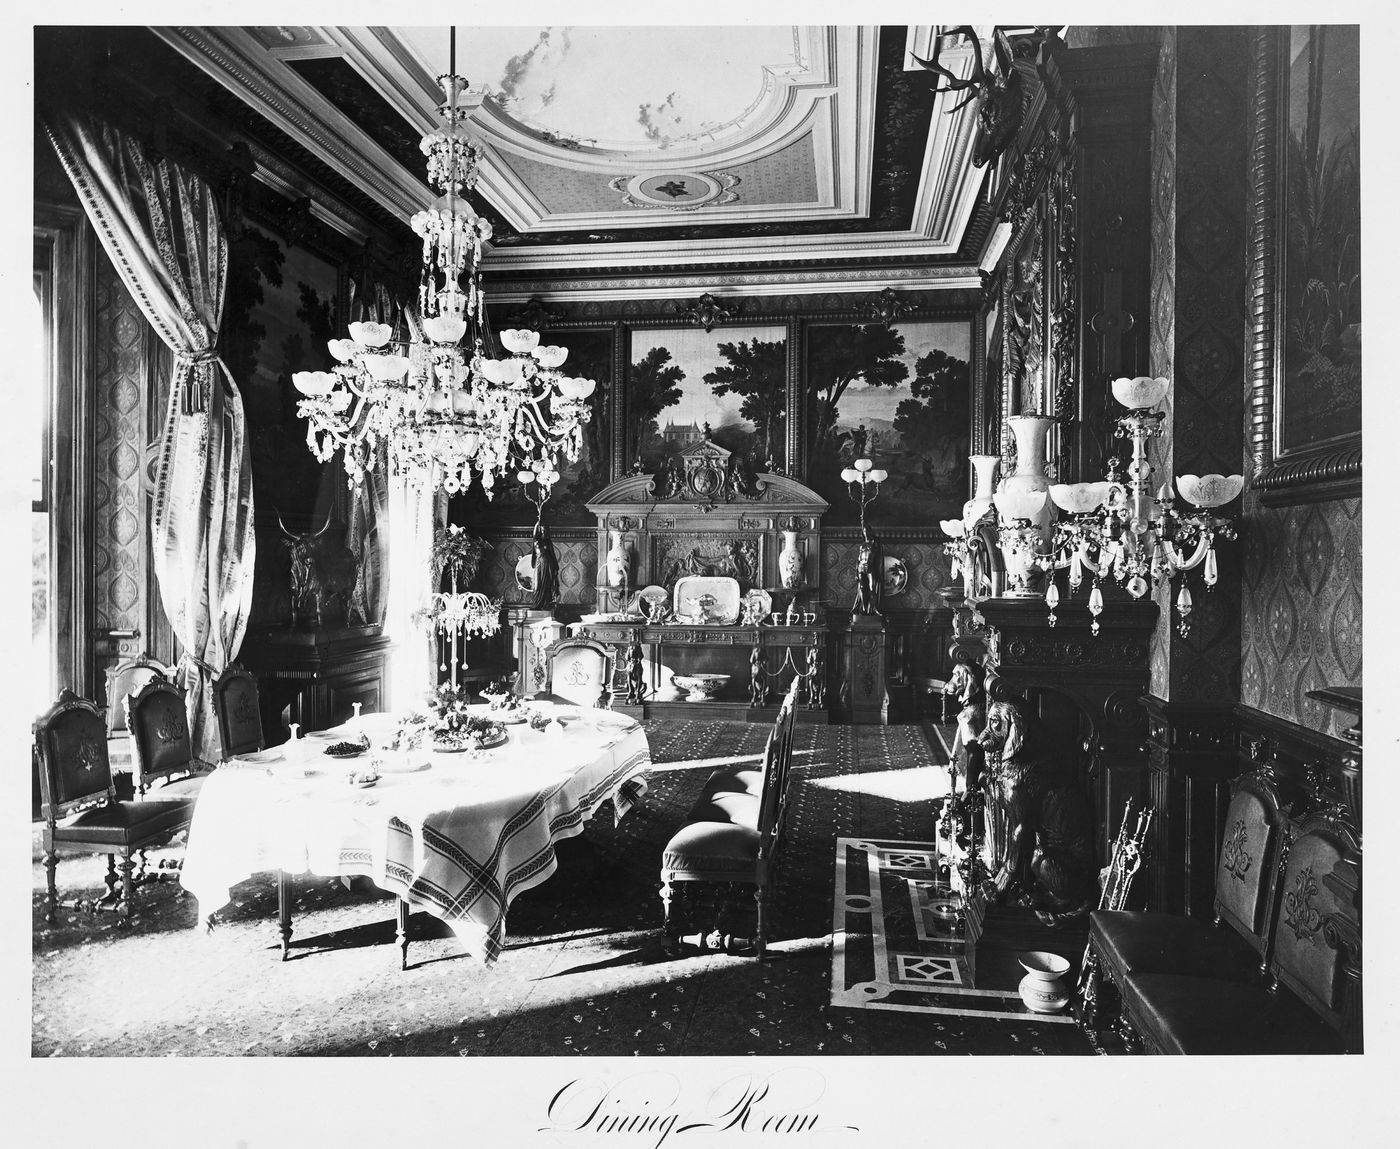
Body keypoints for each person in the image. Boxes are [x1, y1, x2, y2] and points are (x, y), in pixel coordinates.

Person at [527, 517, 560, 611]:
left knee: (547, 584)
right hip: (540, 563)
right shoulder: (537, 540)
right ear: (540, 531)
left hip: (548, 564)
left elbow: (552, 555)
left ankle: (546, 603)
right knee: (538, 584)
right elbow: (534, 535)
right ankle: (537, 603)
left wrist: (555, 568)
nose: (544, 532)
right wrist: (538, 520)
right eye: (542, 530)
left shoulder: (548, 542)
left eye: (545, 530)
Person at [852, 527, 883, 616]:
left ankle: (873, 608)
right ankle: (864, 609)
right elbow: (858, 560)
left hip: (870, 567)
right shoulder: (862, 545)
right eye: (864, 531)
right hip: (861, 568)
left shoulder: (874, 543)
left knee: (872, 588)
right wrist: (856, 573)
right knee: (862, 588)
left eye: (867, 531)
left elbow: (878, 555)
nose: (865, 533)